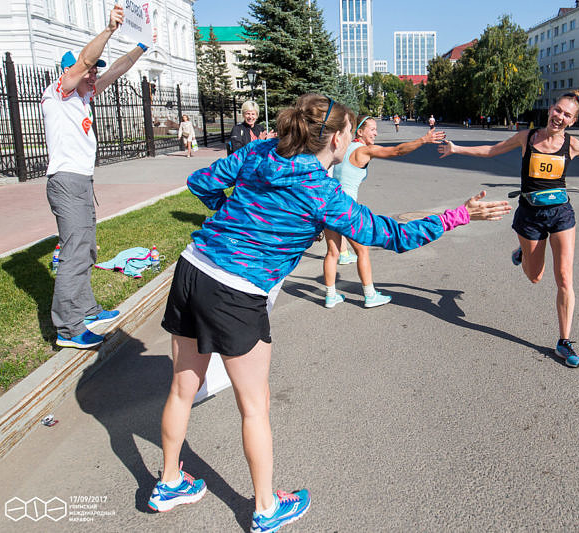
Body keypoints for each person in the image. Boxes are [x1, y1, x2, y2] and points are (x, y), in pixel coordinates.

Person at [150, 93, 510, 532]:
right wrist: (459, 215)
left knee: (182, 388)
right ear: (338, 138)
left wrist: (234, 217)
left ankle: (169, 482)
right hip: (236, 292)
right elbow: (390, 234)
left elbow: (201, 182)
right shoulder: (322, 193)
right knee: (255, 407)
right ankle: (265, 508)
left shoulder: (260, 149)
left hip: (194, 267)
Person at [438, 90, 579, 368]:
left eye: (567, 115)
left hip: (561, 214)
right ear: (550, 109)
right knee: (534, 276)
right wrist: (456, 148)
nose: (560, 117)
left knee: (565, 278)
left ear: (572, 120)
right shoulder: (527, 137)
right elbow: (492, 150)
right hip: (530, 216)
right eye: (557, 110)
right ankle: (523, 251)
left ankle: (564, 342)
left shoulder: (573, 144)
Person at [41, 5, 152, 349]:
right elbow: (88, 63)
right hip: (66, 181)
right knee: (74, 252)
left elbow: (115, 70)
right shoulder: (59, 92)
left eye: (93, 74)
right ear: (70, 71)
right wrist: (108, 31)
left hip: (82, 182)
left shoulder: (84, 96)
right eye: (89, 72)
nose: (93, 77)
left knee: (86, 249)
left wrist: (143, 46)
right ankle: (68, 328)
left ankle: (86, 309)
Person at [323, 115, 446, 308]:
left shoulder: (342, 147)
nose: (376, 132)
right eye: (372, 129)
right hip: (346, 210)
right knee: (362, 250)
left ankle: (330, 296)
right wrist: (423, 140)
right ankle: (370, 295)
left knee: (333, 252)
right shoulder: (364, 150)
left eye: (376, 129)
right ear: (360, 131)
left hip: (329, 205)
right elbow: (396, 151)